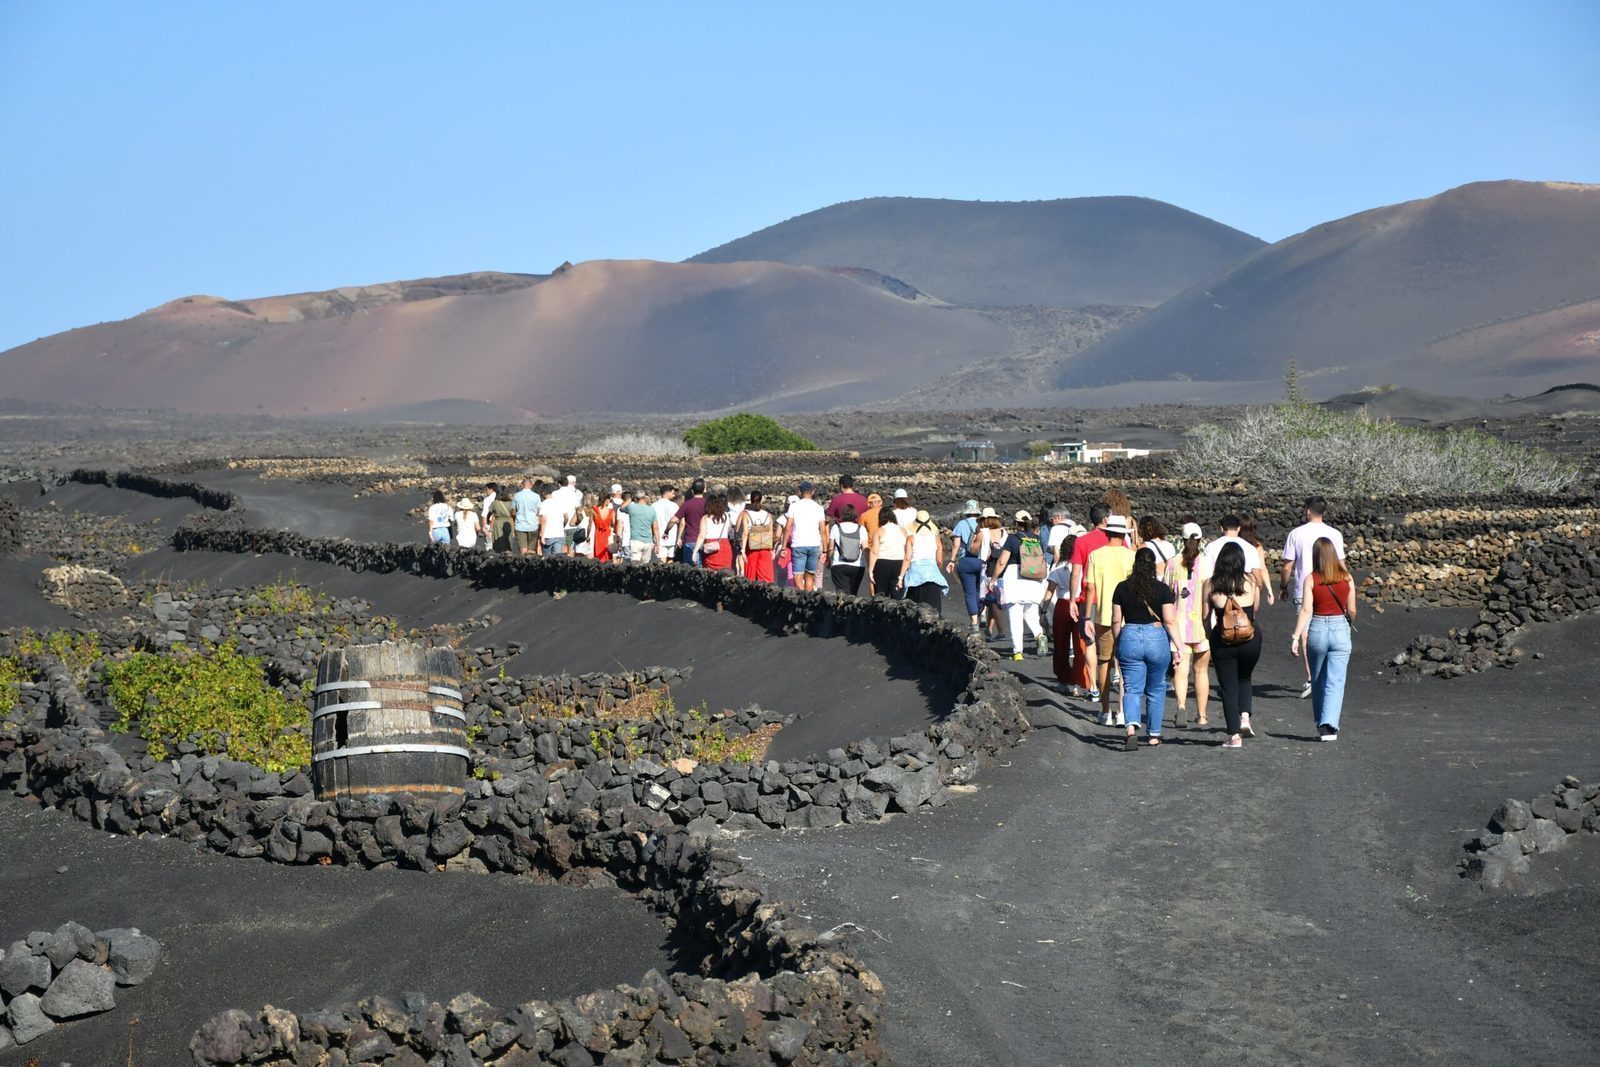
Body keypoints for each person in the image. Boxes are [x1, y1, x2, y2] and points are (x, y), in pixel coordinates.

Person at [1280, 496, 1347, 700]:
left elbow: (1288, 565)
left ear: (1308, 511)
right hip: (1332, 587)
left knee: (1307, 635)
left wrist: (1283, 585)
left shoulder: (1296, 534)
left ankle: (1312, 678)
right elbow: (1342, 565)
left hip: (1305, 588)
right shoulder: (1334, 534)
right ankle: (1322, 677)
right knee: (1330, 632)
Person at [1112, 547, 1178, 748]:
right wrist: (1179, 646)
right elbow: (1169, 620)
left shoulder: (1122, 588)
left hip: (1129, 635)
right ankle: (1154, 735)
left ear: (1135, 564)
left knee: (1131, 687)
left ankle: (1131, 727)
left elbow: (1116, 620)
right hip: (1156, 637)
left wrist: (1118, 641)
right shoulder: (1163, 589)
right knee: (1156, 688)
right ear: (1152, 566)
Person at [1291, 536, 1356, 740]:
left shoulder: (1311, 579)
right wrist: (1349, 621)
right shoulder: (1347, 577)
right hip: (1340, 629)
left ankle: (1321, 722)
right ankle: (1329, 725)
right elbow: (1352, 609)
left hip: (1318, 627)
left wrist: (1295, 636)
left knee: (1318, 679)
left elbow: (1306, 610)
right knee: (1336, 681)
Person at [1206, 542, 1263, 750]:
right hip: (1250, 639)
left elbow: (1206, 616)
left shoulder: (1211, 584)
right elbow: (1254, 609)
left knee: (1228, 687)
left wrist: (1209, 635)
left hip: (1224, 640)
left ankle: (1234, 736)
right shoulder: (1251, 581)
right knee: (1245, 677)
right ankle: (1245, 717)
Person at [1083, 515, 1136, 724]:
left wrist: (1087, 616)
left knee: (1104, 662)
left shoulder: (1096, 555)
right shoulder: (1131, 556)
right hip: (1128, 617)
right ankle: (1123, 711)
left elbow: (1090, 588)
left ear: (1106, 533)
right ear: (1124, 534)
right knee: (1124, 665)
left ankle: (1106, 711)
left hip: (1104, 616)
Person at [1164, 521, 1212, 727]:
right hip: (1202, 625)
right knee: (1201, 671)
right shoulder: (1207, 563)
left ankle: (1181, 706)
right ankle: (1202, 715)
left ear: (1181, 540)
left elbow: (1166, 592)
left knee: (1180, 671)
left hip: (1178, 626)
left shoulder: (1173, 563)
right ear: (1200, 540)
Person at [991, 511, 1050, 662]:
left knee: (1015, 616)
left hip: (1015, 577)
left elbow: (1002, 561)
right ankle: (1039, 635)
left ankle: (1018, 652)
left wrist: (994, 578)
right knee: (1030, 613)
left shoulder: (1012, 538)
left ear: (1017, 523)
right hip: (1033, 577)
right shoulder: (1037, 539)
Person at [1068, 505, 1112, 700]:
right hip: (1112, 599)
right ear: (1105, 520)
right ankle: (1113, 681)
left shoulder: (1082, 541)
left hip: (1088, 600)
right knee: (1113, 644)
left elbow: (1076, 573)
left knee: (1090, 643)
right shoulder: (1118, 540)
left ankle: (1094, 686)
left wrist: (1071, 599)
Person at [1202, 514, 1273, 606]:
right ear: (1239, 528)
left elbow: (1207, 574)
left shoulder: (1211, 547)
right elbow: (1257, 577)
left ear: (1221, 528)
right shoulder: (1250, 548)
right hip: (1243, 593)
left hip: (1219, 593)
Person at [898, 509, 948, 612]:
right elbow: (939, 561)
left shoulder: (911, 538)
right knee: (934, 611)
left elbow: (907, 559)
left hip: (916, 576)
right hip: (932, 575)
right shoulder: (936, 538)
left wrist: (900, 578)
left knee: (915, 610)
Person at [782, 480, 828, 591]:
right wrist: (825, 551)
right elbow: (823, 530)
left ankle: (802, 598)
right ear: (813, 492)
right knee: (809, 576)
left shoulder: (794, 506)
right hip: (814, 544)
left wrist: (783, 547)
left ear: (800, 492)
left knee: (797, 576)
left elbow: (787, 528)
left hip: (798, 544)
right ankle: (808, 600)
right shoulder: (819, 508)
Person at [948, 500, 985, 633]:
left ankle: (975, 623)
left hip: (966, 561)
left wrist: (952, 560)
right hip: (982, 560)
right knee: (981, 590)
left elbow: (956, 545)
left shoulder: (961, 524)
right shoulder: (983, 523)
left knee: (970, 593)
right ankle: (984, 612)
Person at [1047, 536, 1079, 690]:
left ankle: (1062, 679)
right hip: (1079, 603)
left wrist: (1043, 610)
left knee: (1061, 644)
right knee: (1081, 645)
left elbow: (1049, 592)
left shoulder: (1057, 567)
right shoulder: (1082, 566)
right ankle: (1079, 679)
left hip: (1062, 604)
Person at [737, 490, 776, 582]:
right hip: (765, 547)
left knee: (751, 575)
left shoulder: (746, 514)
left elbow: (745, 533)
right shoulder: (768, 515)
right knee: (766, 576)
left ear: (750, 501)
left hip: (751, 548)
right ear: (761, 500)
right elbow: (770, 533)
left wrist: (742, 550)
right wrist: (772, 548)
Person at [829, 504, 868, 594]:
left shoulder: (835, 528)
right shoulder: (861, 529)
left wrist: (828, 560)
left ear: (843, 514)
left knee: (841, 593)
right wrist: (870, 565)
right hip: (858, 566)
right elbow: (865, 548)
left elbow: (830, 548)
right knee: (853, 593)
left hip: (839, 565)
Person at [867, 505, 903, 597]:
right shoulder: (903, 530)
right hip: (899, 563)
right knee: (898, 596)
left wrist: (870, 571)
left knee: (881, 595)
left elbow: (874, 551)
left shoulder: (879, 531)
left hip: (882, 563)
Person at [671, 479, 708, 566]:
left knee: (690, 570)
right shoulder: (708, 504)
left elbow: (675, 520)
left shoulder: (686, 504)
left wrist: (667, 531)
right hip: (705, 540)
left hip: (690, 540)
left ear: (692, 491)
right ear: (704, 490)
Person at [696, 493, 735, 571]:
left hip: (710, 545)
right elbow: (729, 529)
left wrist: (695, 551)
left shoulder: (705, 518)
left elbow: (701, 536)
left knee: (710, 573)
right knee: (725, 571)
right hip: (724, 545)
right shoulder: (727, 516)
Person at [622, 488, 659, 564]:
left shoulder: (631, 508)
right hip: (648, 541)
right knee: (645, 566)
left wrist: (630, 499)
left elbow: (621, 508)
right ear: (645, 498)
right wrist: (657, 543)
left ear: (635, 498)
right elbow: (655, 528)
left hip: (635, 541)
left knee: (635, 565)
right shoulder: (651, 510)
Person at [511, 478, 540, 556]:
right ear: (531, 485)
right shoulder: (536, 496)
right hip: (533, 524)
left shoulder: (516, 496)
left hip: (520, 524)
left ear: (522, 485)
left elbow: (513, 512)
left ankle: (523, 562)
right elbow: (538, 511)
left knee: (523, 548)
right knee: (532, 549)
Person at [652, 485, 680, 563]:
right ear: (668, 492)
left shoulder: (654, 506)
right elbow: (678, 521)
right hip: (672, 537)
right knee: (670, 561)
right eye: (672, 492)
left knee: (661, 561)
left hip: (659, 538)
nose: (673, 494)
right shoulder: (674, 506)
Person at [591, 488, 617, 563]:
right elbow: (614, 525)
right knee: (607, 555)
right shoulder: (611, 511)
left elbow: (590, 524)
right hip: (607, 535)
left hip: (597, 534)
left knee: (598, 555)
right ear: (607, 500)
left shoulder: (594, 509)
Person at [489, 485, 514, 552]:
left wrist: (490, 527)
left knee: (497, 543)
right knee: (508, 542)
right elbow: (513, 515)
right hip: (508, 523)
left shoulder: (494, 503)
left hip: (498, 523)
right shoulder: (511, 503)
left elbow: (490, 514)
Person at [478, 483, 499, 552]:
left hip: (490, 524)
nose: (486, 492)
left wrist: (483, 528)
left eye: (487, 490)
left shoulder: (487, 499)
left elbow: (485, 514)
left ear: (491, 489)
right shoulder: (500, 498)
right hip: (500, 524)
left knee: (489, 545)